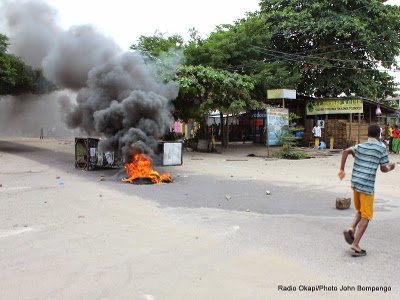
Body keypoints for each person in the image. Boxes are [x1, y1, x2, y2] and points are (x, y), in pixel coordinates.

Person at [339, 124, 395, 256]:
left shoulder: (360, 146)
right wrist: (391, 167)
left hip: (355, 183)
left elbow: (346, 151)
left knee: (360, 210)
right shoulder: (381, 149)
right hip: (367, 186)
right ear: (378, 135)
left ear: (368, 134)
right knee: (367, 215)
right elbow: (383, 168)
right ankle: (355, 243)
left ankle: (352, 228)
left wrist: (342, 169)